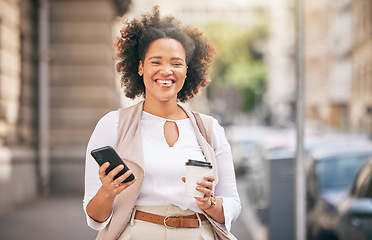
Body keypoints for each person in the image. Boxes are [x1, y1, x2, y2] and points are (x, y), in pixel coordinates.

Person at [83, 6, 241, 240]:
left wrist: (210, 203)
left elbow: (232, 204)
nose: (166, 70)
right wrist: (108, 191)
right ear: (140, 67)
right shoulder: (114, 125)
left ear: (187, 70)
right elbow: (95, 219)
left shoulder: (209, 129)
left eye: (176, 63)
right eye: (156, 61)